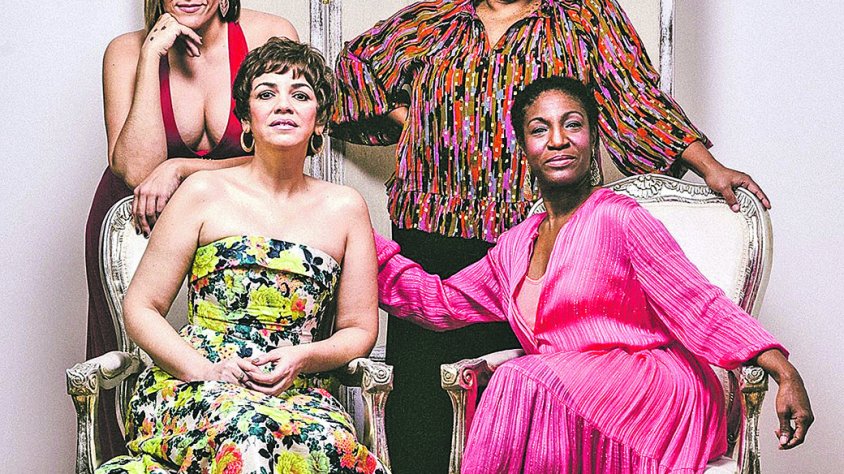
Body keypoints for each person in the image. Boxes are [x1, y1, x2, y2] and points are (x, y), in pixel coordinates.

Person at [331, 1, 772, 469]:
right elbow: (354, 69)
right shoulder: (433, 19)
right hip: (433, 229)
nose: (558, 139)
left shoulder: (584, 17)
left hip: (546, 252)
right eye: (541, 130)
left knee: (526, 393)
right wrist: (350, 221)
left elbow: (636, 100)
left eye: (570, 126)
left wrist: (709, 167)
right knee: (425, 411)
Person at [95, 38, 388, 474]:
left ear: (320, 121)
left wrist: (302, 358)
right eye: (266, 93)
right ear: (246, 118)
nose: (283, 105)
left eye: (300, 95)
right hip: (196, 385)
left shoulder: (346, 208)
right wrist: (203, 370)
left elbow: (359, 328)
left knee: (328, 450)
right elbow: (141, 307)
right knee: (251, 438)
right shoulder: (202, 192)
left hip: (296, 393)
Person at [86, 0, 297, 457]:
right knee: (126, 365)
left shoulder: (269, 33)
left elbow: (282, 151)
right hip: (136, 222)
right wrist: (151, 56)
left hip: (232, 221)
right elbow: (135, 169)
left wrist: (181, 167)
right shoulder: (125, 51)